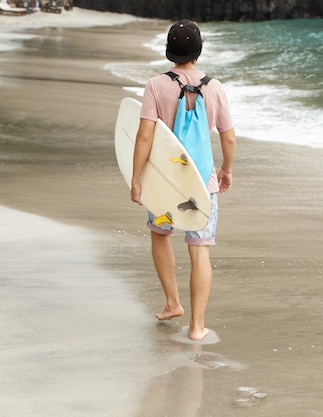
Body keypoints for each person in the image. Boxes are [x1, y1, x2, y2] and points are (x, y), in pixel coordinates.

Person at [131, 19, 236, 341]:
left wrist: (136, 178)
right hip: (200, 181)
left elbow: (145, 137)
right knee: (200, 248)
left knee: (161, 234)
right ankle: (196, 326)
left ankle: (173, 303)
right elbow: (228, 137)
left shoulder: (155, 86)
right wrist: (226, 170)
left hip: (163, 181)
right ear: (199, 49)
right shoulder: (215, 87)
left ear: (169, 51)